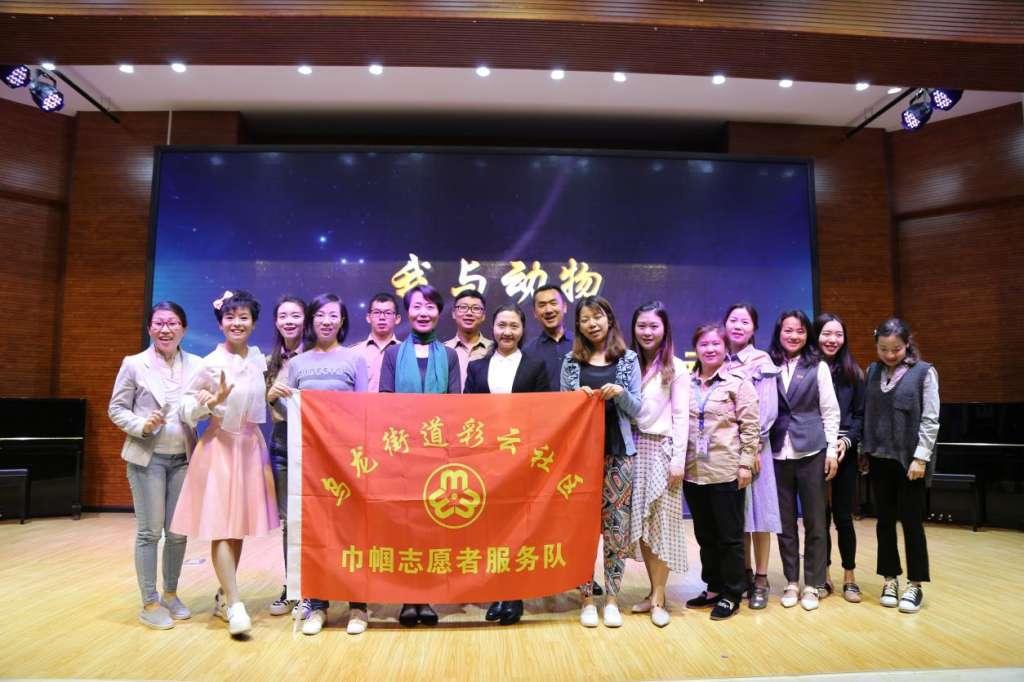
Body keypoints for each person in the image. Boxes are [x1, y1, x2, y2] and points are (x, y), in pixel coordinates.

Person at [170, 290, 279, 637]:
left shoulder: (259, 360)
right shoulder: (209, 363)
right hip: (219, 447)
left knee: (238, 526)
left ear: (253, 323)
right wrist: (208, 403)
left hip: (250, 447)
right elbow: (185, 409)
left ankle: (223, 595)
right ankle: (234, 603)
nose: (237, 323)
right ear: (220, 323)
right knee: (222, 526)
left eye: (244, 317)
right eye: (230, 317)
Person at [269, 293, 369, 635]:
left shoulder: (355, 359)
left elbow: (363, 411)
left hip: (346, 459)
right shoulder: (298, 363)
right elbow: (290, 413)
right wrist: (273, 400)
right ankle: (318, 605)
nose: (326, 321)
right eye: (320, 315)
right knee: (315, 531)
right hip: (308, 460)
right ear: (312, 321)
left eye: (333, 315)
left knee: (352, 530)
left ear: (342, 321)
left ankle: (358, 606)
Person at [108, 301, 202, 630]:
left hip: (183, 459)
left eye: (172, 323)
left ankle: (171, 594)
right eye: (159, 323)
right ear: (150, 328)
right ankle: (149, 602)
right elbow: (116, 409)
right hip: (147, 458)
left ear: (184, 329)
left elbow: (201, 408)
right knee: (150, 532)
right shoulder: (134, 364)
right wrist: (142, 425)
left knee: (177, 533)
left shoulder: (198, 364)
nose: (166, 329)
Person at [379, 284, 461, 626]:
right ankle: (407, 597)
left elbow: (456, 407)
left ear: (439, 313)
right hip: (401, 452)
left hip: (437, 453)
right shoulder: (393, 355)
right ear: (407, 313)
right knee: (404, 525)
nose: (423, 313)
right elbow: (384, 401)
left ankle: (426, 597)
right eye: (416, 306)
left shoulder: (451, 356)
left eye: (430, 306)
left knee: (431, 526)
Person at [464, 303, 550, 626]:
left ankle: (514, 594)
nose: (507, 332)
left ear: (522, 329)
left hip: (521, 459)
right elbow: (467, 415)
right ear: (493, 327)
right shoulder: (477, 368)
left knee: (517, 527)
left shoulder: (535, 366)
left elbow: (544, 414)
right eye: (502, 325)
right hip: (485, 460)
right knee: (490, 528)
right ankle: (496, 590)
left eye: (514, 326)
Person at [559, 295, 641, 628]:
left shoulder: (628, 359)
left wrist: (620, 394)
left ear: (609, 319)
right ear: (578, 326)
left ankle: (612, 599)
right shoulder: (570, 361)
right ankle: (586, 599)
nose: (592, 323)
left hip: (619, 454)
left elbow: (638, 410)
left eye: (598, 316)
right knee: (582, 529)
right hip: (580, 458)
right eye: (585, 319)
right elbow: (561, 413)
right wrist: (574, 400)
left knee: (616, 529)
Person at [861, 318, 939, 614]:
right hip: (879, 458)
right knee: (883, 523)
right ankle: (889, 579)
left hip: (910, 461)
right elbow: (867, 413)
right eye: (883, 349)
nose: (890, 354)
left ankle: (915, 584)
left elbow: (930, 419)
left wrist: (921, 457)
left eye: (896, 349)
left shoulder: (924, 372)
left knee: (912, 523)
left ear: (907, 344)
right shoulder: (871, 371)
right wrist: (864, 451)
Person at [682, 323, 759, 620]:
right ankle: (713, 587)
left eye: (716, 343)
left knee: (729, 537)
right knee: (705, 535)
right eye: (704, 344)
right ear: (696, 348)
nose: (710, 349)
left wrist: (746, 463)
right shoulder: (686, 383)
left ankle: (733, 592)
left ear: (725, 348)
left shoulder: (738, 382)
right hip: (693, 471)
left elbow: (750, 427)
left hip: (726, 470)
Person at [767, 309, 840, 611]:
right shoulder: (768, 364)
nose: (794, 336)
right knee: (784, 523)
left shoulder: (818, 366)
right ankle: (791, 582)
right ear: (779, 332)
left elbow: (830, 411)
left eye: (799, 331)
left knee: (815, 521)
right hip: (777, 452)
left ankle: (813, 583)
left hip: (812, 450)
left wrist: (832, 451)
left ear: (807, 334)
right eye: (788, 330)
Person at [627, 302, 689, 627]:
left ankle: (660, 598)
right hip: (633, 450)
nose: (647, 332)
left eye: (654, 326)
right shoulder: (628, 363)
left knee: (661, 525)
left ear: (665, 329)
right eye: (642, 326)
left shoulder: (675, 367)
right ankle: (653, 592)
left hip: (662, 451)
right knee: (643, 526)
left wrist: (678, 460)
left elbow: (681, 417)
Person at [721, 303, 781, 609]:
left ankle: (761, 578)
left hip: (756, 448)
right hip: (727, 449)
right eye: (733, 320)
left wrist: (755, 446)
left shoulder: (761, 361)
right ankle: (742, 573)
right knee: (738, 516)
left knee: (759, 514)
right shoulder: (719, 358)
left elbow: (768, 409)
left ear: (754, 328)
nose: (738, 326)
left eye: (744, 322)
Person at [814, 312, 865, 603]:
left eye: (838, 334)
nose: (832, 340)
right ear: (816, 335)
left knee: (844, 517)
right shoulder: (808, 369)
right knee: (819, 518)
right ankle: (823, 575)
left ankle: (849, 576)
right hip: (815, 450)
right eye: (826, 333)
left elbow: (860, 416)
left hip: (845, 450)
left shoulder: (853, 373)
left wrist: (846, 441)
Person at [264, 295, 308, 618]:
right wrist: (269, 397)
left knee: (313, 518)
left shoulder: (316, 356)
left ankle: (314, 589)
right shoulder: (270, 361)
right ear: (276, 322)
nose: (289, 321)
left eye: (295, 315)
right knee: (288, 520)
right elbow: (262, 407)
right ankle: (292, 586)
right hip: (281, 441)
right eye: (283, 316)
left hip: (314, 443)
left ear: (306, 319)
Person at [523, 285, 573, 391]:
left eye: (553, 303)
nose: (548, 310)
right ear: (535, 313)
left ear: (564, 307)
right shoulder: (528, 351)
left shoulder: (582, 344)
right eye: (542, 305)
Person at [350, 292, 402, 392]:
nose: (382, 317)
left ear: (397, 318)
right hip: (362, 402)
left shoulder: (406, 352)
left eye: (388, 313)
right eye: (376, 312)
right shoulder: (353, 353)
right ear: (368, 317)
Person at [445, 290, 493, 390]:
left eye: (476, 308)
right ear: (453, 313)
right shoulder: (443, 350)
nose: (469, 313)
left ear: (483, 315)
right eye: (463, 307)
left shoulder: (494, 349)